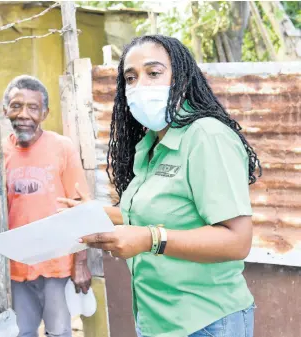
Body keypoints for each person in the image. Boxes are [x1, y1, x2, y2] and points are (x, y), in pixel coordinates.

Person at [58, 35, 262, 337]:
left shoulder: (206, 137)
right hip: (156, 320)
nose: (141, 86)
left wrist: (151, 240)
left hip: (206, 322)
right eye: (131, 77)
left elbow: (237, 241)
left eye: (154, 73)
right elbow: (153, 213)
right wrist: (98, 211)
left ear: (180, 77)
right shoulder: (150, 144)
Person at [3, 75, 91, 337]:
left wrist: (81, 262)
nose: (24, 114)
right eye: (16, 106)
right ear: (4, 109)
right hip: (15, 265)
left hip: (57, 263)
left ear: (45, 113)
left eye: (33, 107)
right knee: (21, 332)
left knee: (59, 330)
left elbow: (81, 207)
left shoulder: (61, 148)